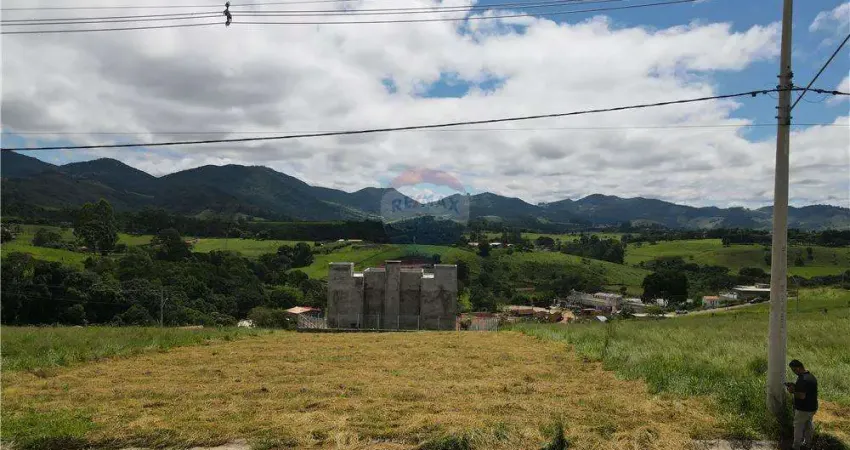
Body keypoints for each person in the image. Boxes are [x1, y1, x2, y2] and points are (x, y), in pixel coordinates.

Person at [785, 359, 818, 450]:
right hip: (812, 408)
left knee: (798, 427)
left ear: (798, 368)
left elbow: (802, 396)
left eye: (794, 370)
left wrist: (792, 391)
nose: (794, 372)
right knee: (808, 426)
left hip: (803, 409)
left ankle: (796, 447)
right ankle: (808, 445)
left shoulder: (802, 379)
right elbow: (806, 390)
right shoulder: (811, 377)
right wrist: (795, 386)